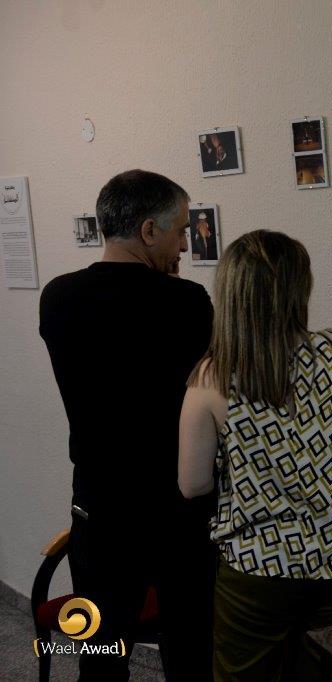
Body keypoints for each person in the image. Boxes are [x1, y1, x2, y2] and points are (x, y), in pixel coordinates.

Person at [178, 230, 332, 681]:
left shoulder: (212, 377)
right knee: (326, 670)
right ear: (299, 288)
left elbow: (192, 484)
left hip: (259, 566)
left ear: (230, 294)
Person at [39, 170, 215, 681]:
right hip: (179, 505)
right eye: (180, 231)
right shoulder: (187, 302)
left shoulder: (58, 298)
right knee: (191, 654)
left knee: (100, 657)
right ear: (148, 230)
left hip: (100, 506)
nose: (185, 245)